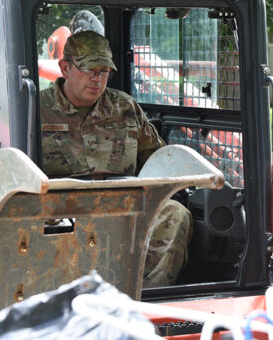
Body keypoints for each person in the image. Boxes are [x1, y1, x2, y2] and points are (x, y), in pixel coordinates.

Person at [40, 30, 192, 287]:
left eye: (104, 71)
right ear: (65, 68)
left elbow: (156, 158)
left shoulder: (124, 107)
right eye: (90, 70)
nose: (97, 79)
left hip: (122, 206)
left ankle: (144, 297)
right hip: (60, 209)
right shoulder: (35, 108)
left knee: (175, 213)